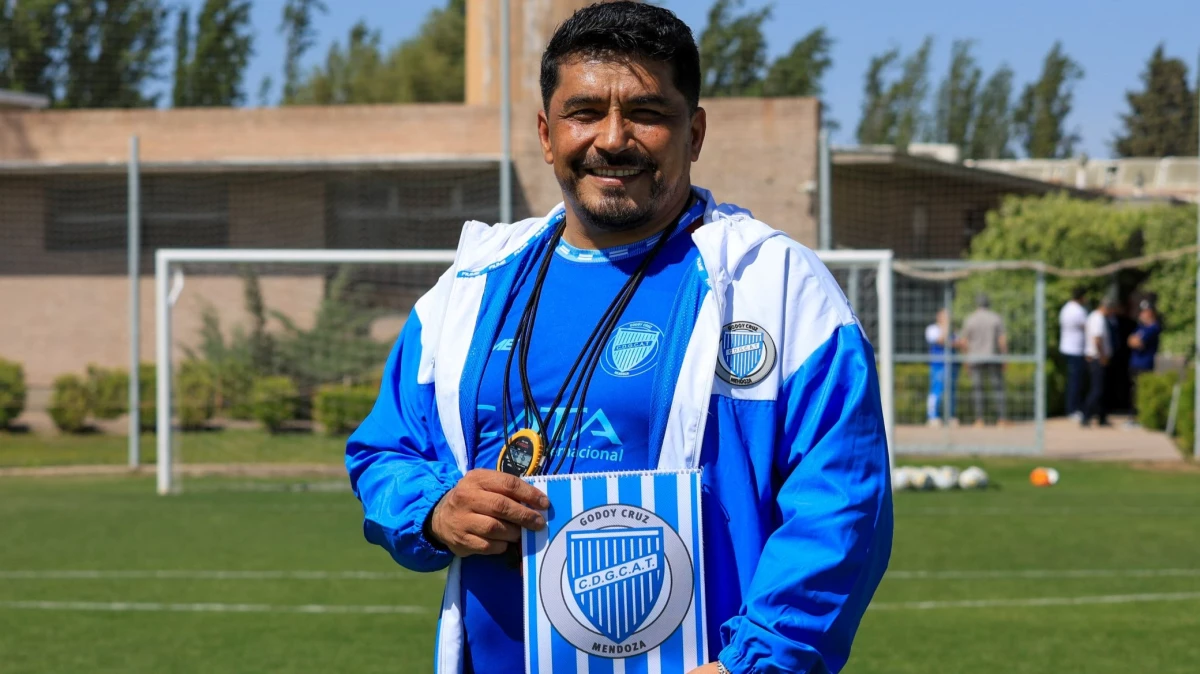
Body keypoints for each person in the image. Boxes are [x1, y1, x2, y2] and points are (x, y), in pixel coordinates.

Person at [344, 4, 892, 674]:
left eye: (646, 113)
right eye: (584, 113)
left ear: (694, 133)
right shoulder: (471, 287)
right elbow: (385, 448)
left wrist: (761, 661)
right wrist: (433, 509)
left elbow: (842, 506)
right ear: (547, 134)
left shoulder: (777, 287)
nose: (613, 138)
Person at [960, 293, 1008, 427]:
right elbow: (1002, 340)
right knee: (998, 388)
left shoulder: (970, 319)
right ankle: (1001, 419)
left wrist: (966, 359)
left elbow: (964, 342)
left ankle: (979, 420)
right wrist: (1005, 357)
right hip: (992, 357)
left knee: (978, 390)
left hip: (975, 358)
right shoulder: (995, 318)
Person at [1082, 296, 1117, 427]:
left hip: (1097, 357)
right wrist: (1102, 356)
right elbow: (1097, 340)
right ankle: (1086, 415)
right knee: (1097, 390)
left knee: (1102, 389)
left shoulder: (1097, 317)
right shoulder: (1098, 319)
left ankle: (1102, 416)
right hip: (1097, 358)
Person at [1127, 300, 1161, 426]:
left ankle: (1140, 417)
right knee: (1133, 391)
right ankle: (1133, 416)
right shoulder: (1141, 327)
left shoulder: (1153, 327)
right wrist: (1135, 342)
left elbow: (1137, 342)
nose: (1142, 314)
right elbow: (1130, 341)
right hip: (1135, 363)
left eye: (1145, 311)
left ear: (1151, 312)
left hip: (1145, 364)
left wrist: (1136, 342)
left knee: (1141, 392)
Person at [1058, 288, 1089, 422]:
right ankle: (1073, 409)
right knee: (1076, 382)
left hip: (1067, 348)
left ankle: (1071, 408)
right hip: (1076, 349)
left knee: (1072, 381)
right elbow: (1087, 328)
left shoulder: (1066, 308)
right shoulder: (1079, 311)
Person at [926, 308, 959, 427]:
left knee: (951, 392)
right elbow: (940, 340)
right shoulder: (932, 329)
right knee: (936, 390)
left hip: (952, 365)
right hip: (938, 366)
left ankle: (950, 416)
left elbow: (960, 343)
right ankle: (932, 416)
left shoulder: (953, 331)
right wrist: (946, 329)